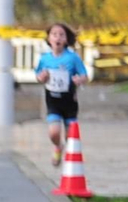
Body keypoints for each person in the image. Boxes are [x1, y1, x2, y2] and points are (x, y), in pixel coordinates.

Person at [34, 21, 88, 166]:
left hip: (70, 101)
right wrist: (42, 77)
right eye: (54, 34)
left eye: (61, 35)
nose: (57, 38)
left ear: (66, 40)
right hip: (53, 101)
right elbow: (38, 75)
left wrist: (79, 79)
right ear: (49, 39)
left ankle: (71, 163)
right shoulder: (45, 59)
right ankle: (58, 146)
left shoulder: (72, 58)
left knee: (71, 136)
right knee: (54, 132)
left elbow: (84, 75)